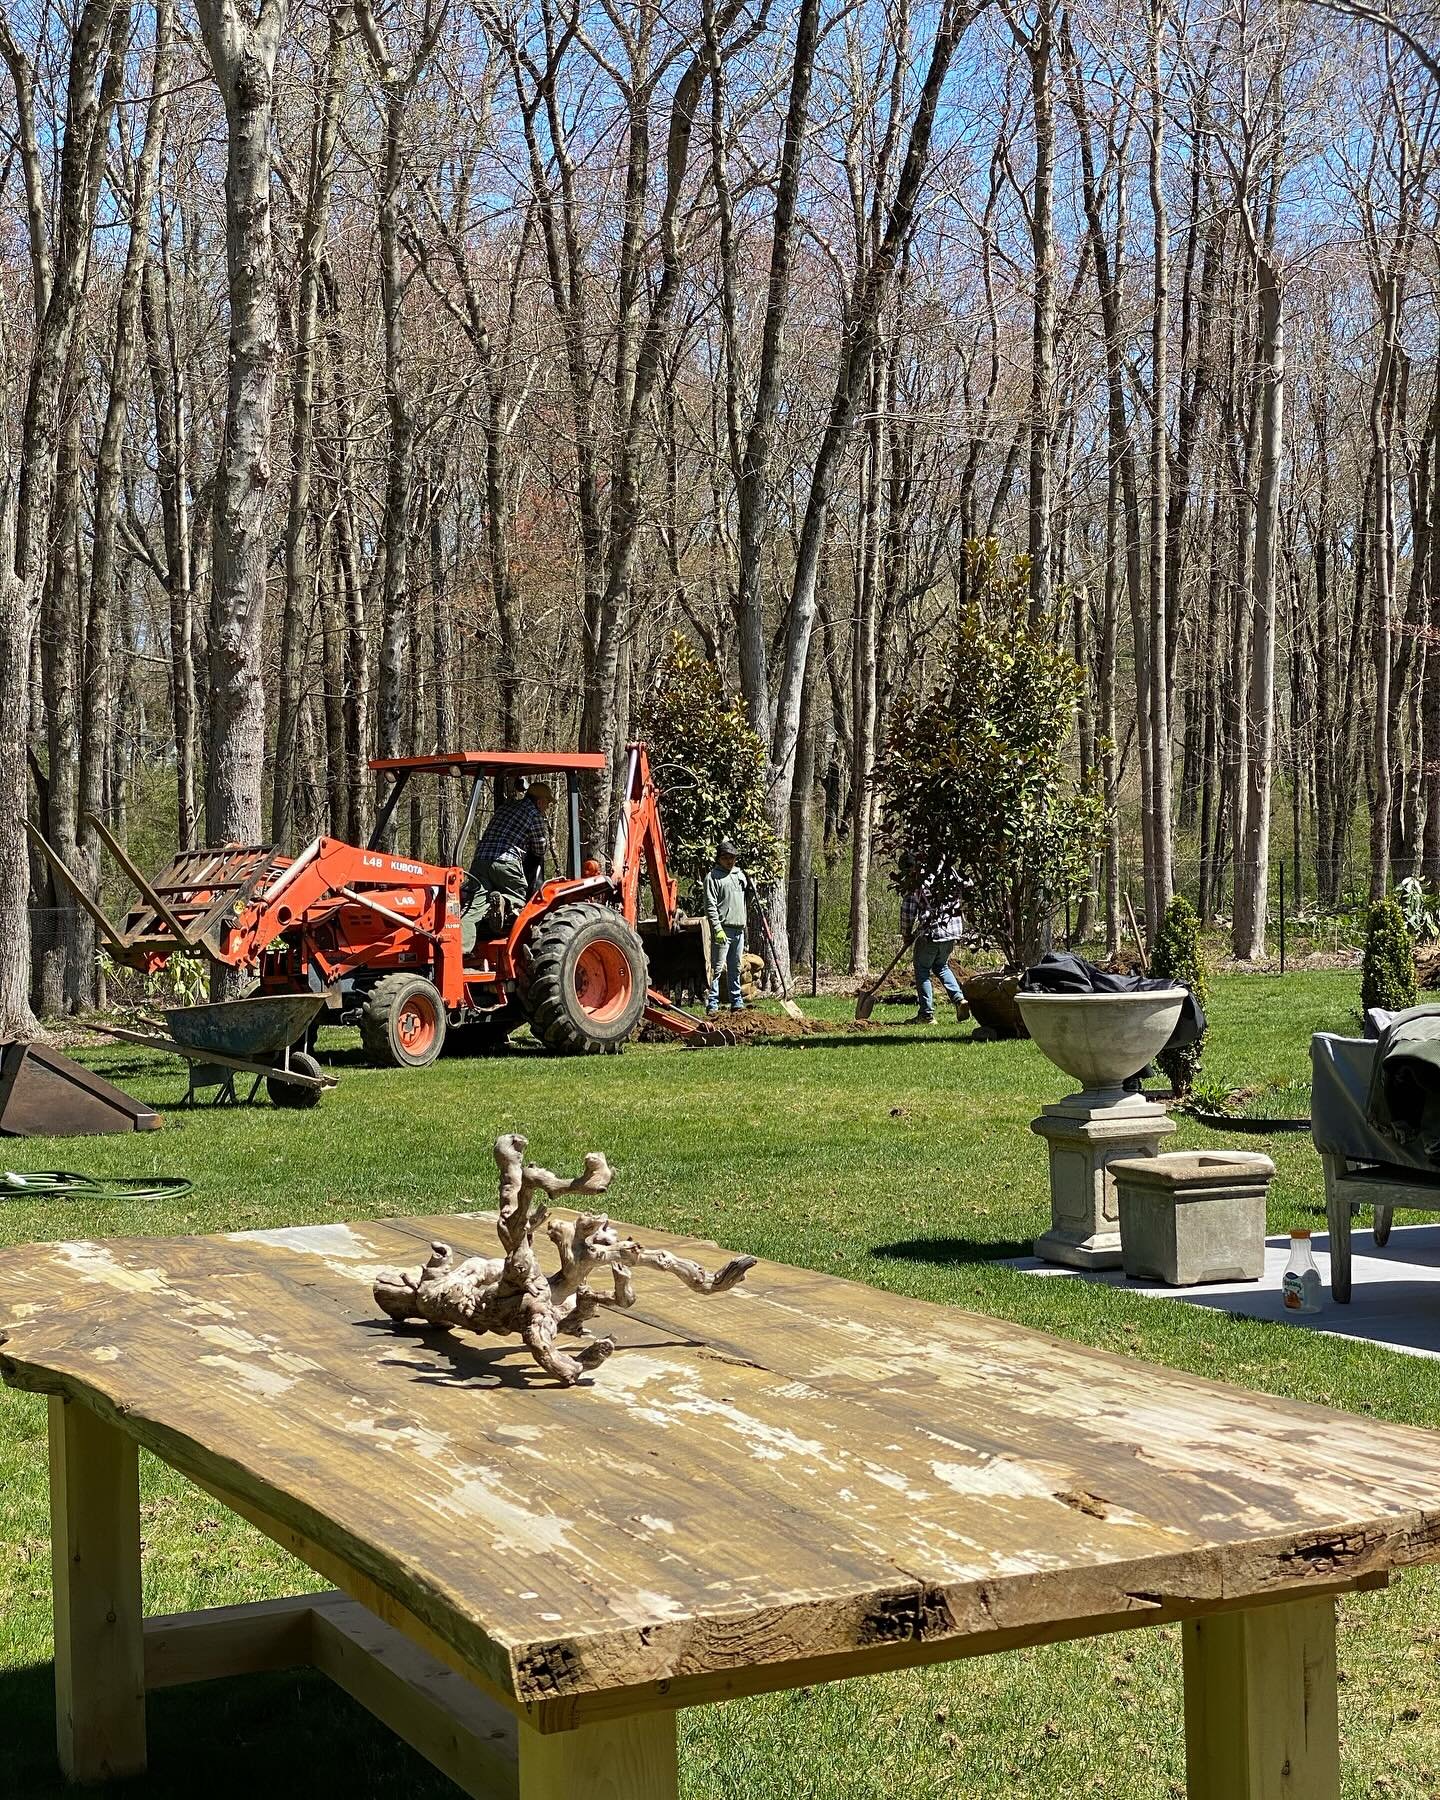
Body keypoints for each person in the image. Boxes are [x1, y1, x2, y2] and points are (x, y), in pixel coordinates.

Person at [464, 781, 554, 944]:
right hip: (506, 862)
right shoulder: (535, 815)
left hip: (480, 860)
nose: (546, 808)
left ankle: (461, 951)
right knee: (519, 896)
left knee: (473, 907)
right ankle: (505, 901)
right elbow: (540, 849)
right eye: (547, 804)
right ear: (540, 801)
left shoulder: (506, 807)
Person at [899, 867, 968, 1025]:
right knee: (941, 966)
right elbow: (967, 884)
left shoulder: (917, 881)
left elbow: (907, 911)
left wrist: (906, 933)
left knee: (922, 970)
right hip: (951, 933)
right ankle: (959, 999)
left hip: (932, 934)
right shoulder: (950, 874)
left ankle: (926, 1015)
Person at [704, 839, 749, 1016]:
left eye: (733, 857)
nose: (730, 861)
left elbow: (745, 900)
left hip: (739, 929)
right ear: (719, 859)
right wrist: (717, 929)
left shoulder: (740, 875)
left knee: (735, 967)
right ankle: (712, 1004)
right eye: (726, 858)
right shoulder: (713, 877)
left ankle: (736, 1001)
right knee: (717, 967)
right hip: (723, 929)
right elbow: (710, 906)